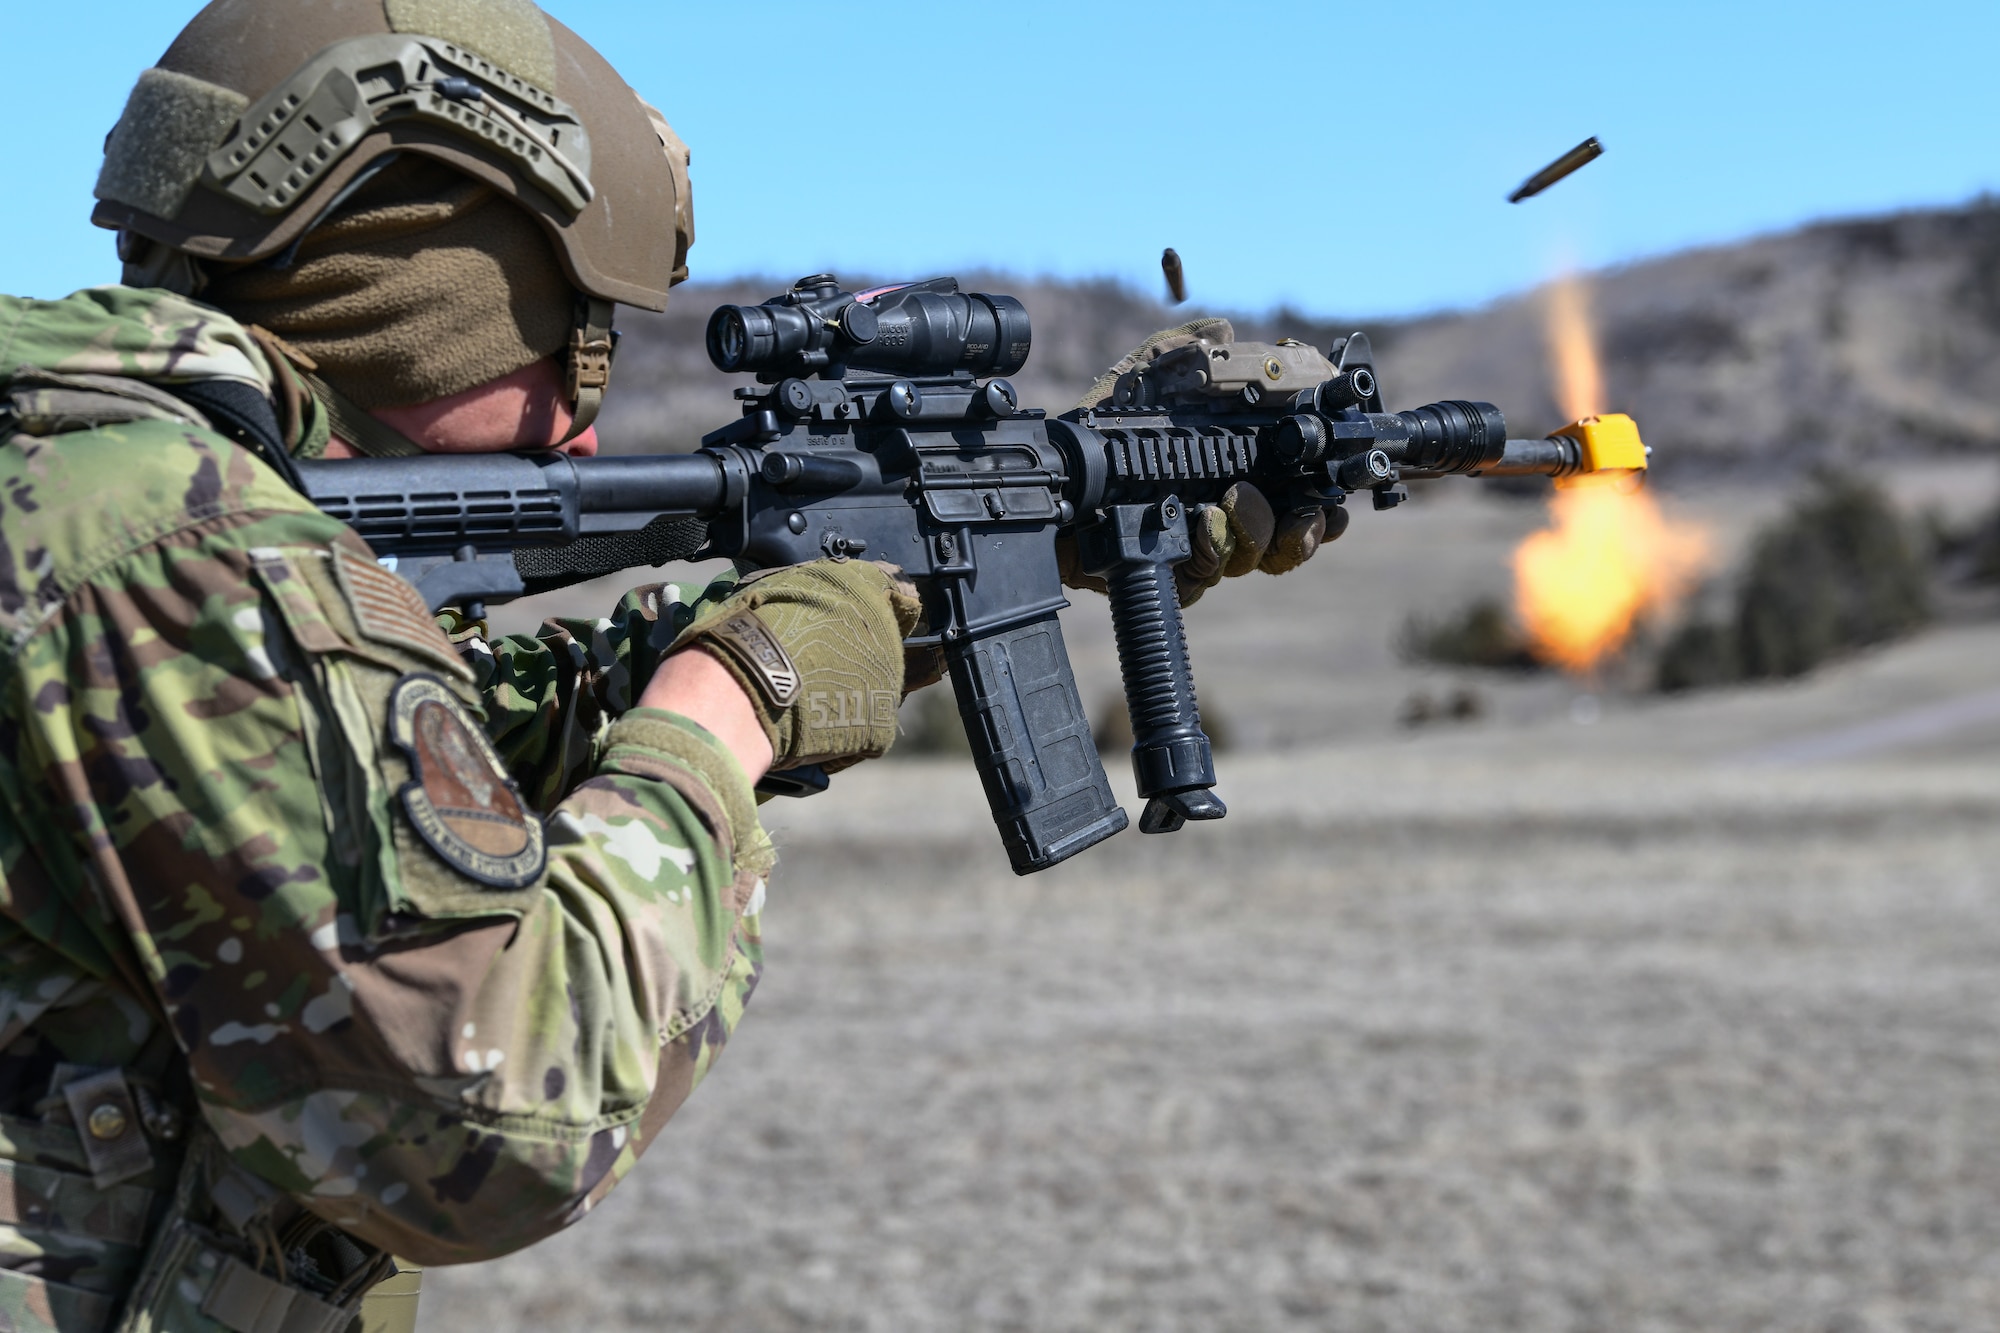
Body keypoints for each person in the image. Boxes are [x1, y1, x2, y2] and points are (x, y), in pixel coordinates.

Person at [0, 3, 1327, 1329]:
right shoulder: (170, 545)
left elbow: (412, 755)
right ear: (417, 288)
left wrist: (1009, 564)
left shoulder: (92, 482)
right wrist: (728, 704)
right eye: (573, 338)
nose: (584, 434)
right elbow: (494, 1118)